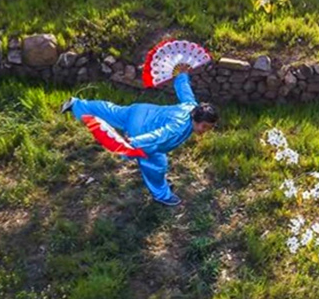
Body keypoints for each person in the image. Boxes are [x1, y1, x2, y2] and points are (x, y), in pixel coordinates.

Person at [61, 73, 217, 206]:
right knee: (156, 164)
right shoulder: (179, 128)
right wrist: (135, 142)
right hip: (142, 130)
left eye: (209, 128)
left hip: (140, 110)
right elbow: (159, 136)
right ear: (195, 119)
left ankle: (76, 104)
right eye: (204, 127)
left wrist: (181, 74)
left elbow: (185, 90)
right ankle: (162, 195)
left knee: (112, 111)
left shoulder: (191, 106)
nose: (205, 131)